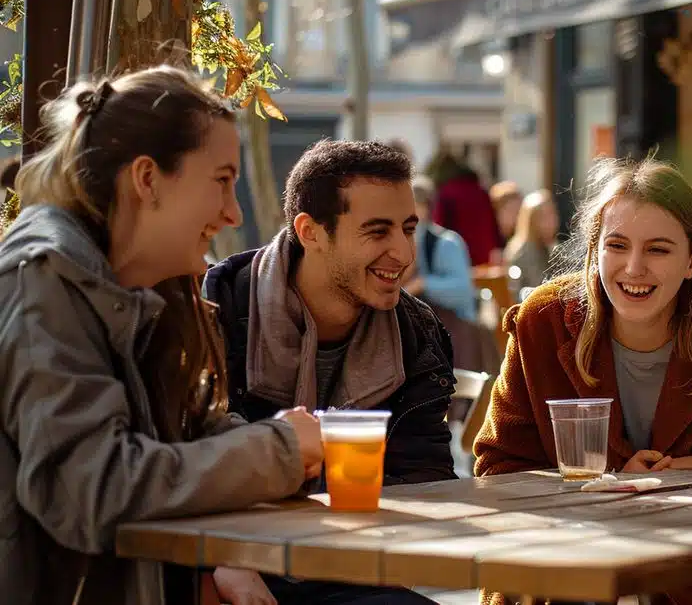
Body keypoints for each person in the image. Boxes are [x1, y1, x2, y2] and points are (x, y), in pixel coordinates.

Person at [0, 65, 323, 605]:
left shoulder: (138, 284)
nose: (232, 212)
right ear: (147, 179)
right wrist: (276, 452)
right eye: (221, 181)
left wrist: (287, 452)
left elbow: (181, 439)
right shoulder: (44, 282)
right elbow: (96, 489)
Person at [474, 157, 692, 605]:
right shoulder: (543, 320)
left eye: (657, 249)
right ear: (595, 250)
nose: (633, 268)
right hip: (568, 571)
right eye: (616, 245)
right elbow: (497, 467)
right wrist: (604, 482)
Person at [203, 140, 457, 605]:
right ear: (311, 232)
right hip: (235, 562)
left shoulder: (416, 332)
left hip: (353, 567)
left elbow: (426, 477)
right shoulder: (221, 309)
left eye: (407, 229)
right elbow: (191, 453)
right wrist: (226, 555)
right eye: (377, 232)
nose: (402, 252)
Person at [407, 175, 498, 374]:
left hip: (456, 344)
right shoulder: (400, 240)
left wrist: (423, 284)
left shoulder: (446, 243)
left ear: (424, 207)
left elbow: (462, 291)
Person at [426, 144, 501, 266]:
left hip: (458, 254)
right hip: (484, 254)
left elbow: (440, 225)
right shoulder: (480, 189)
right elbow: (493, 223)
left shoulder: (446, 193)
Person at [503, 188, 559, 295]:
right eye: (544, 217)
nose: (552, 221)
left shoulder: (551, 248)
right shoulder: (521, 252)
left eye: (552, 214)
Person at [490, 180, 523, 244]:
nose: (517, 215)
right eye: (511, 210)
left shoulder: (522, 236)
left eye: (519, 210)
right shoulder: (489, 238)